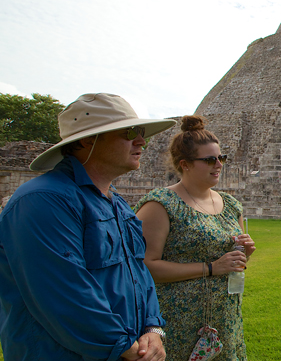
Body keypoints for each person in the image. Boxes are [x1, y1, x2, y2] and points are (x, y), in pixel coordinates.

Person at [0, 93, 176, 360]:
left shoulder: (114, 203)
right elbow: (63, 294)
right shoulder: (43, 200)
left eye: (141, 132)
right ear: (87, 140)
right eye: (130, 131)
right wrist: (126, 348)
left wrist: (153, 328)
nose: (141, 140)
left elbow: (138, 273)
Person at [135, 115, 255, 361]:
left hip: (224, 318)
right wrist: (210, 268)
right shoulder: (161, 205)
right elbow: (144, 266)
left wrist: (243, 254)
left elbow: (231, 262)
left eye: (221, 158)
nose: (219, 164)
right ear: (185, 164)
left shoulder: (231, 205)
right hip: (178, 319)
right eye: (209, 160)